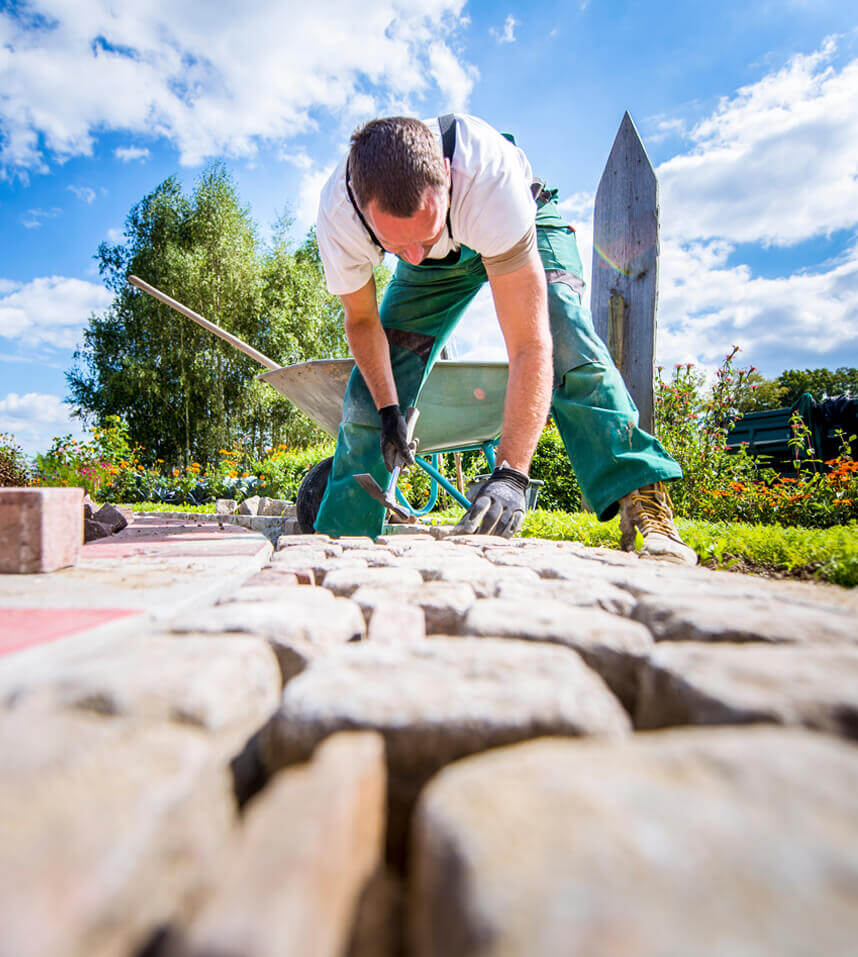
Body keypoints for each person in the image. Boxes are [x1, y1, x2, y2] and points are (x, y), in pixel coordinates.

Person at [312, 113, 696, 564]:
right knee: (373, 387)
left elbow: (529, 344)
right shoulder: (341, 215)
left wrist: (512, 473)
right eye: (396, 247)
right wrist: (388, 409)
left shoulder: (488, 180)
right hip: (431, 275)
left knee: (565, 332)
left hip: (520, 227)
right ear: (363, 207)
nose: (413, 255)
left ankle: (644, 502)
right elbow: (362, 322)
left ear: (448, 181)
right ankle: (340, 539)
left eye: (426, 233)